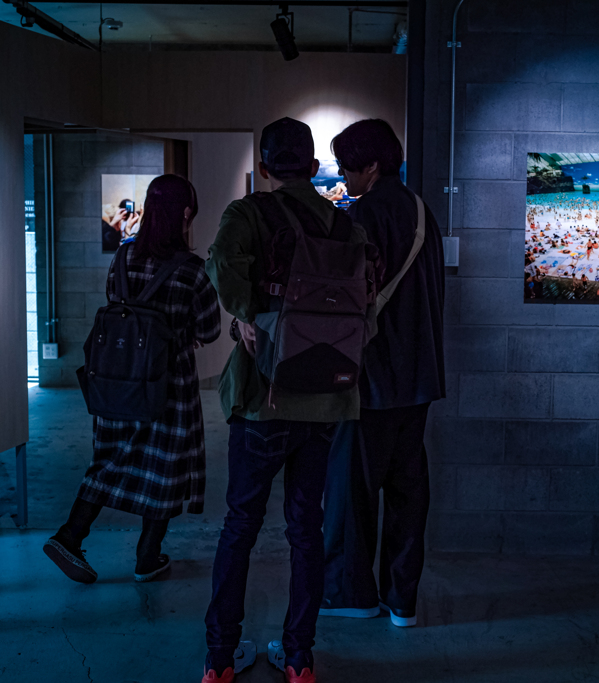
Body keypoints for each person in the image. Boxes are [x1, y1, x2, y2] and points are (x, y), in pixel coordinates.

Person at [202, 118, 374, 683]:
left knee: (240, 526)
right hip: (325, 403)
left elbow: (222, 267)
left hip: (263, 399)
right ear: (314, 165)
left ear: (265, 166)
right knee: (306, 531)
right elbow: (366, 310)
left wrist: (250, 317)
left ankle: (220, 662)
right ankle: (299, 661)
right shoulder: (345, 225)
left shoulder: (248, 213)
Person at [43, 175, 221, 586]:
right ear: (186, 213)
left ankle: (70, 535)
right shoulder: (193, 271)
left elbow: (116, 305)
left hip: (117, 380)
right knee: (164, 465)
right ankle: (146, 556)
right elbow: (210, 329)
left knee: (109, 458)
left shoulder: (122, 257)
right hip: (168, 385)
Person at [320, 120, 445, 631]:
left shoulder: (362, 216)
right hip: (419, 376)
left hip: (369, 376)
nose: (344, 177)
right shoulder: (421, 211)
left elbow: (342, 298)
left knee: (352, 491)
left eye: (347, 167)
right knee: (408, 492)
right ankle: (402, 600)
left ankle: (351, 592)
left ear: (371, 165)